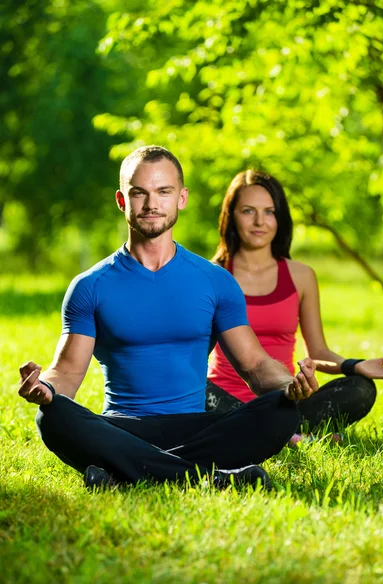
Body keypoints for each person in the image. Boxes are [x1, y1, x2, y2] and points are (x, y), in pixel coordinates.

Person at [18, 146, 319, 490]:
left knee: (280, 412)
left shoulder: (215, 281)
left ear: (181, 198)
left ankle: (122, 473)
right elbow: (69, 370)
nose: (151, 204)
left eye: (163, 192)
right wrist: (47, 388)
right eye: (139, 193)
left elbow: (254, 366)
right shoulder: (90, 286)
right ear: (121, 200)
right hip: (123, 427)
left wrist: (287, 386)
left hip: (196, 425)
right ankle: (209, 478)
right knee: (53, 416)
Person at [206, 169, 383, 436]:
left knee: (361, 388)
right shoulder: (210, 275)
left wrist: (354, 365)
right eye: (248, 211)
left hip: (284, 399)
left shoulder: (301, 276)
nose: (260, 221)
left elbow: (318, 352)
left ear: (280, 218)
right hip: (222, 401)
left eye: (269, 212)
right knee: (191, 387)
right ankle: (292, 434)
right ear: (231, 216)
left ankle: (278, 432)